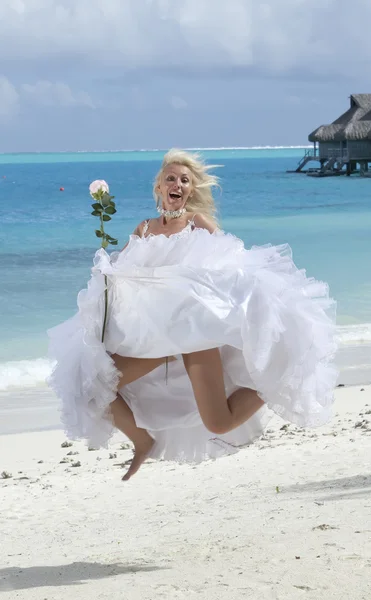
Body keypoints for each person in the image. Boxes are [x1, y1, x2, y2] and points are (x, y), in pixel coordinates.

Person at [48, 149, 337, 481]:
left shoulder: (196, 223)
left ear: (191, 189)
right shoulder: (143, 229)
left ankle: (275, 380)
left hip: (194, 337)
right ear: (159, 186)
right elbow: (122, 277)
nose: (177, 184)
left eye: (184, 180)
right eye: (170, 178)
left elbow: (232, 264)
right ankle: (143, 441)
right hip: (153, 341)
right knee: (92, 387)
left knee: (219, 422)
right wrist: (104, 266)